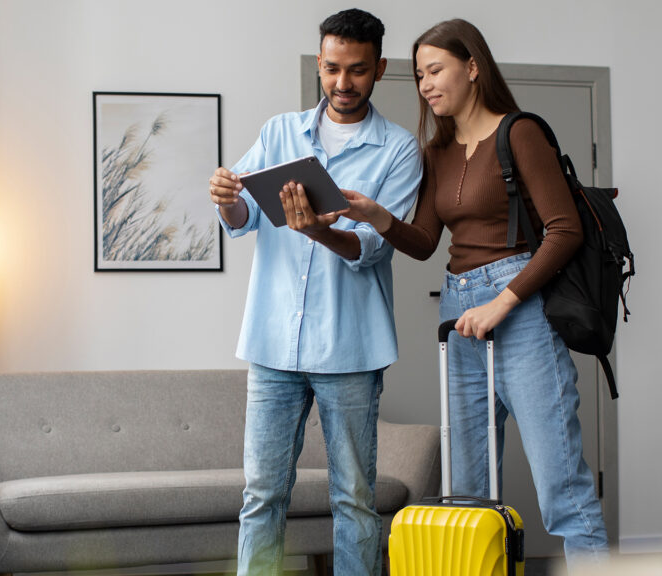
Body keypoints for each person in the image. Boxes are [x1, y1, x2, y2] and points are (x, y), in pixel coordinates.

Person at [342, 18, 609, 564]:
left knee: (562, 487)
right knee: (470, 491)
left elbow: (564, 231)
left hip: (522, 310)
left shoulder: (519, 133)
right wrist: (378, 217)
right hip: (460, 313)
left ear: (472, 66)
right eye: (419, 75)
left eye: (435, 70)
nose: (426, 85)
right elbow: (422, 244)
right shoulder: (436, 152)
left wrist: (502, 302)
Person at [207, 8, 421, 576]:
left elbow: (373, 248)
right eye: (331, 69)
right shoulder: (279, 132)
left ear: (379, 68)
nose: (342, 84)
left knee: (353, 499)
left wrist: (320, 231)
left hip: (349, 351)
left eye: (356, 70)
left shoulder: (398, 150)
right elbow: (243, 215)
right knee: (262, 496)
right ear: (320, 65)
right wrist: (227, 195)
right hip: (273, 346)